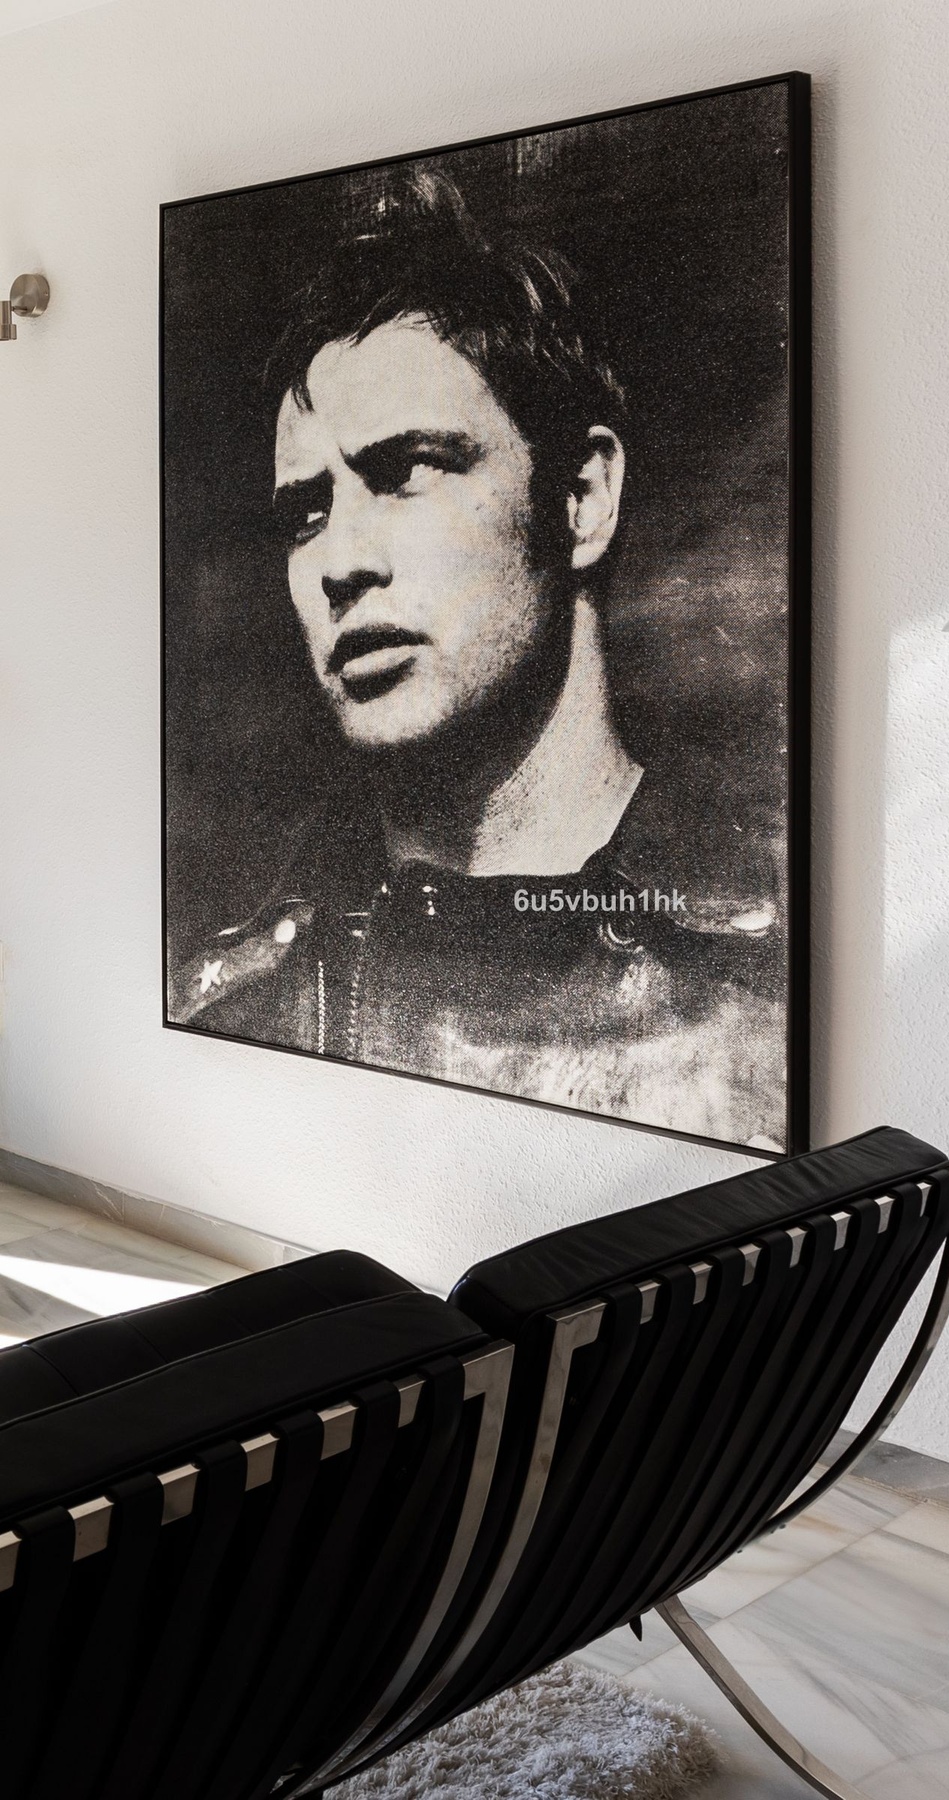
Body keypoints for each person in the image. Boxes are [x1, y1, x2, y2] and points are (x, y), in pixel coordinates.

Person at [172, 177, 787, 1150]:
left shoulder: (767, 983)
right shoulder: (232, 1005)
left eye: (408, 471)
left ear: (580, 499)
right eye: (306, 514)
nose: (340, 562)